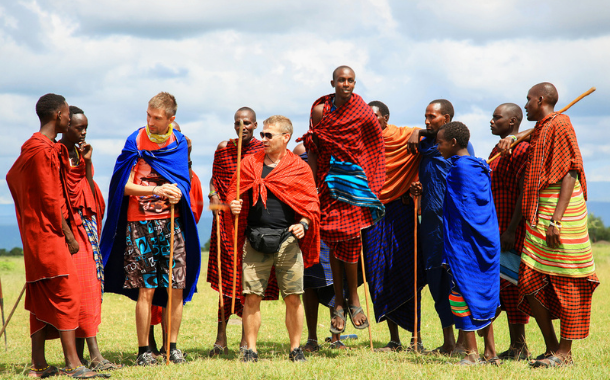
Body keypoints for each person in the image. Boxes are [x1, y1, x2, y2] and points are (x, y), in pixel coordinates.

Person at [7, 94, 103, 378]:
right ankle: (74, 364)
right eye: (65, 113)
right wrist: (68, 234)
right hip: (50, 234)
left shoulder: (32, 147)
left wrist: (28, 214)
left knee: (39, 298)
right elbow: (51, 199)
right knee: (68, 295)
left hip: (35, 233)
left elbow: (13, 179)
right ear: (58, 116)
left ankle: (39, 366)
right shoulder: (45, 150)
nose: (67, 117)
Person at [100, 92, 201, 365]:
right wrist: (156, 188)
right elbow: (123, 185)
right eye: (148, 115)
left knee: (175, 286)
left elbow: (183, 182)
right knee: (146, 288)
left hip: (172, 224)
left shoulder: (178, 143)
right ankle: (144, 350)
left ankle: (173, 347)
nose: (151, 122)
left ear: (171, 119)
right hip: (139, 224)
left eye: (157, 118)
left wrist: (178, 192)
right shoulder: (136, 140)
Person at [300, 65, 385, 335]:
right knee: (333, 239)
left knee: (351, 239)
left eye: (350, 81)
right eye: (341, 80)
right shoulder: (320, 111)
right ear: (333, 82)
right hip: (326, 183)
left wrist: (370, 182)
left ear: (354, 83)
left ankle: (353, 300)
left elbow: (374, 146)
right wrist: (312, 185)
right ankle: (339, 301)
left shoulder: (362, 111)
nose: (346, 84)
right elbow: (313, 147)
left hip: (353, 184)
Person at [518, 83, 598, 367]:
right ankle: (552, 348)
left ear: (540, 100)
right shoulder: (543, 127)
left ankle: (565, 353)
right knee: (528, 279)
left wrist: (557, 220)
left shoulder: (561, 124)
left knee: (569, 282)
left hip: (560, 213)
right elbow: (534, 141)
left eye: (528, 100)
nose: (525, 104)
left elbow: (570, 172)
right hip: (540, 212)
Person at [228, 115, 320, 362]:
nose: (263, 139)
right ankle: (251, 350)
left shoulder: (299, 168)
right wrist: (233, 205)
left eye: (269, 135)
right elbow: (232, 194)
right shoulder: (249, 163)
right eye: (263, 134)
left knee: (292, 296)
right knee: (251, 297)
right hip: (255, 239)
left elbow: (311, 204)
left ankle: (295, 349)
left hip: (288, 240)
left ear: (285, 137)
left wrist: (303, 223)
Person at [207, 107, 280, 356]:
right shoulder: (224, 149)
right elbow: (214, 182)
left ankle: (244, 339)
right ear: (234, 126)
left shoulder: (263, 150)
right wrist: (215, 200)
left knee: (247, 284)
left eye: (247, 122)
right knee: (225, 281)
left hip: (253, 225)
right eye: (238, 122)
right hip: (226, 225)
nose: (243, 126)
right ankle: (220, 338)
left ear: (255, 125)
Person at [409, 100, 474, 356]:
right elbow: (433, 182)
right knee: (436, 281)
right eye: (425, 117)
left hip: (454, 227)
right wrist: (420, 191)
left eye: (431, 117)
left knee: (456, 281)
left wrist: (419, 132)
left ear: (445, 118)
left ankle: (462, 342)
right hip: (432, 226)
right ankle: (448, 342)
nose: (426, 122)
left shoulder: (459, 148)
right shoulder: (429, 148)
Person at [59, 106, 122, 371]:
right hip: (71, 230)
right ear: (65, 127)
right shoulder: (57, 153)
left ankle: (87, 355)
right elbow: (57, 196)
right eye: (78, 128)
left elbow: (87, 189)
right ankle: (92, 355)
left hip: (88, 226)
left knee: (92, 287)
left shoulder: (79, 153)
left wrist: (86, 162)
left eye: (86, 127)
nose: (84, 132)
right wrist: (69, 234)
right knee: (81, 288)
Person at [436, 121, 501, 365]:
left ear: (453, 143)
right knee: (484, 294)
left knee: (461, 292)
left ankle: (472, 353)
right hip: (486, 241)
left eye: (440, 143)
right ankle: (491, 352)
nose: (438, 147)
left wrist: (452, 250)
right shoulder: (479, 165)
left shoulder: (460, 170)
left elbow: (463, 212)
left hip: (467, 244)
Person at [361, 101, 424, 352]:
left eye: (374, 117)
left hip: (401, 209)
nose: (369, 121)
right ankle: (394, 339)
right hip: (373, 213)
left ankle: (416, 338)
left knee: (408, 271)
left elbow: (439, 131)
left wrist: (418, 132)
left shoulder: (402, 135)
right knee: (378, 274)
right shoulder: (361, 142)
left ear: (386, 118)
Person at [488, 103, 531, 360]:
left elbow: (523, 193)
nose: (491, 121)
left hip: (510, 228)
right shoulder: (499, 147)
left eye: (497, 118)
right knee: (503, 285)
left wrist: (511, 230)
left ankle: (520, 346)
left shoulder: (522, 149)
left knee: (512, 285)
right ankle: (516, 346)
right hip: (497, 226)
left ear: (513, 121)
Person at [293, 143, 344, 351]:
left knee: (335, 278)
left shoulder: (340, 147)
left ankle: (336, 337)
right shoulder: (299, 150)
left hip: (335, 217)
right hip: (308, 219)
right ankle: (312, 338)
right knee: (310, 281)